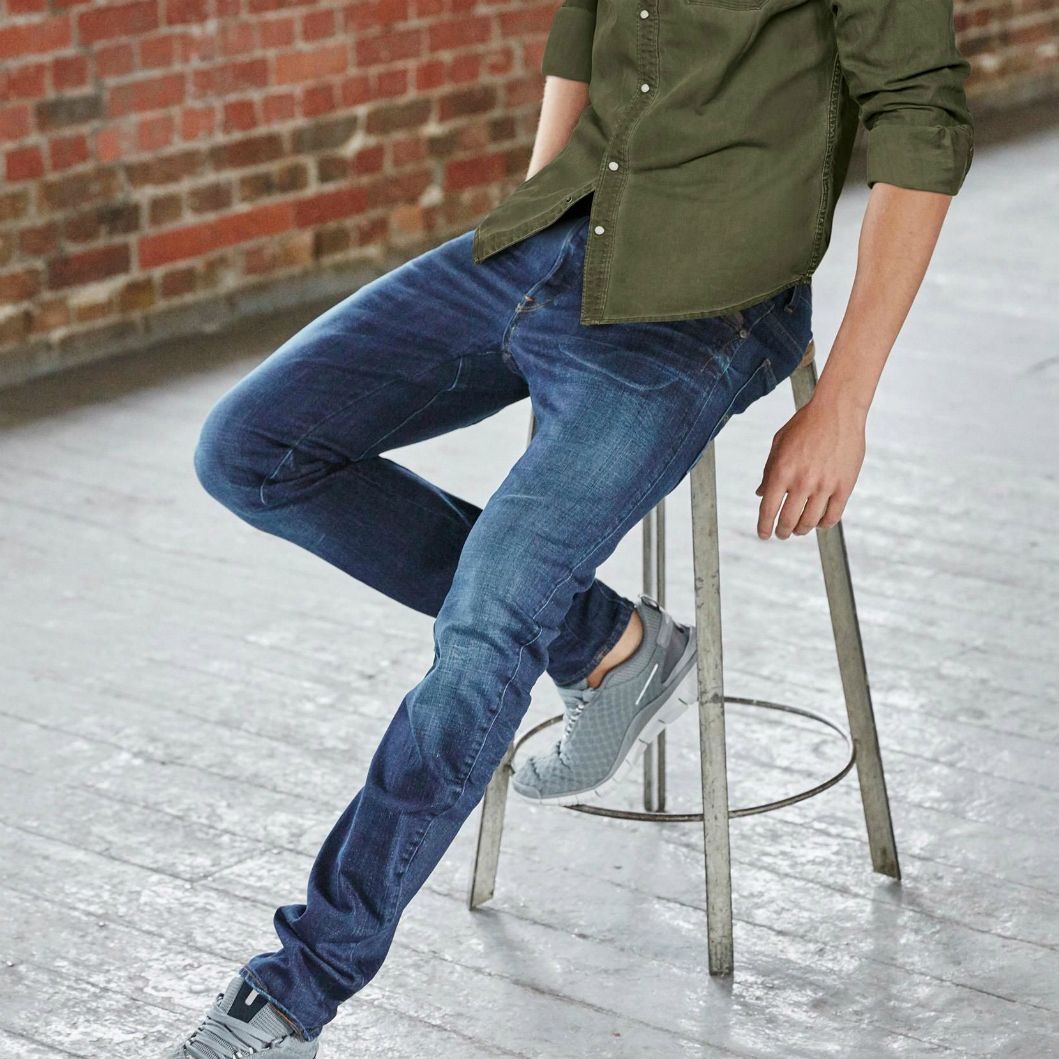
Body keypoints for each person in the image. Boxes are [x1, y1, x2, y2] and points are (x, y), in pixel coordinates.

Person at [165, 0, 974, 1052]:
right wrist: (536, 213)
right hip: (551, 240)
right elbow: (582, 31)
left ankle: (292, 994)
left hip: (707, 303)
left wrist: (846, 402)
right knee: (247, 447)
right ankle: (607, 642)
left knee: (489, 621)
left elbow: (920, 119)